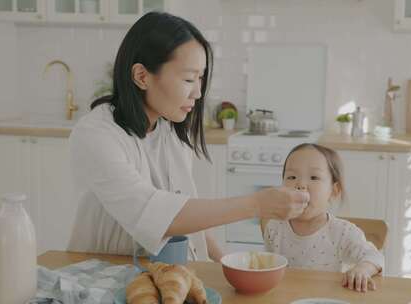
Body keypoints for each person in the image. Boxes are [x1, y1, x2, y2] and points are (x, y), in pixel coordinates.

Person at [67, 12, 309, 262]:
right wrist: (256, 204)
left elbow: (186, 212)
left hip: (164, 274)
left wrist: (225, 263)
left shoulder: (169, 128)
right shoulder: (96, 135)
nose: (198, 91)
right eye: (188, 79)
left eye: (201, 78)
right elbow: (154, 215)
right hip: (102, 279)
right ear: (142, 76)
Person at [262, 143, 384, 292]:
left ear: (334, 190)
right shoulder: (274, 226)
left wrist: (362, 270)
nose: (300, 184)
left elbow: (375, 256)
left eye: (314, 177)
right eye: (292, 177)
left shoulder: (342, 232)